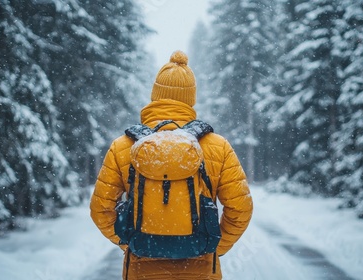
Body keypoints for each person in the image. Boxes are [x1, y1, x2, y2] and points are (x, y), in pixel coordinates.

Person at [90, 50, 253, 279]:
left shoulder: (123, 146)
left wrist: (131, 243)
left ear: (155, 94)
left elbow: (101, 210)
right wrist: (213, 248)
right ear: (191, 99)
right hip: (200, 271)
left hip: (141, 271)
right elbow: (241, 209)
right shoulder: (218, 146)